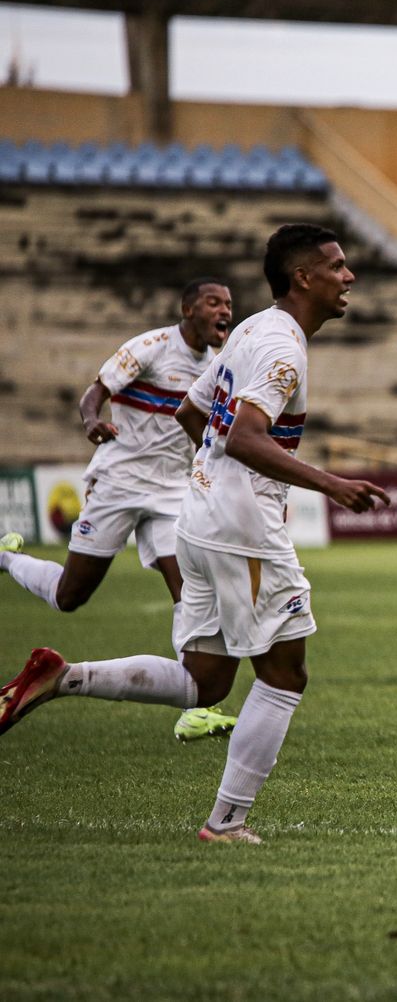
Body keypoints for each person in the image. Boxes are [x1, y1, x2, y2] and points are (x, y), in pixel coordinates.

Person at [0, 224, 392, 844]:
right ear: (303, 278)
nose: (349, 277)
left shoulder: (249, 331)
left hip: (199, 520)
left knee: (204, 681)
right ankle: (226, 823)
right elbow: (244, 435)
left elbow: (191, 412)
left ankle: (62, 675)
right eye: (338, 267)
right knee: (285, 674)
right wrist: (332, 485)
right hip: (243, 532)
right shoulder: (283, 349)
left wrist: (214, 483)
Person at [0, 277, 239, 742]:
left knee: (188, 591)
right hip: (118, 483)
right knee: (70, 596)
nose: (224, 310)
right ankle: (6, 558)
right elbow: (96, 390)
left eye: (229, 303)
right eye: (214, 302)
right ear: (188, 308)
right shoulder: (150, 347)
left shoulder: (215, 366)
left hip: (171, 491)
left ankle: (196, 701)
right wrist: (92, 420)